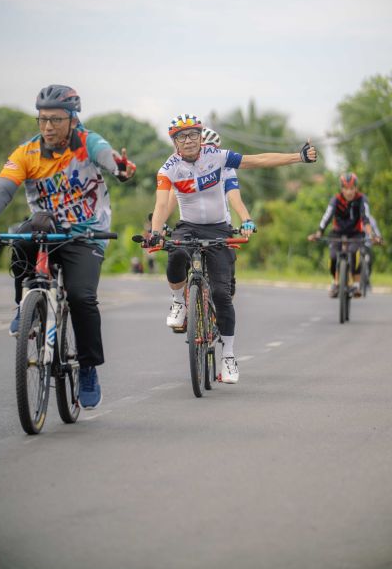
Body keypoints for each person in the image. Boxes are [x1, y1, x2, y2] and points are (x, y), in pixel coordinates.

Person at [0, 84, 135, 409]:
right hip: (47, 229)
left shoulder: (87, 143)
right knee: (21, 237)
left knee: (82, 297)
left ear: (73, 120)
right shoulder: (26, 153)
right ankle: (24, 305)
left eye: (56, 119)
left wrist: (120, 169)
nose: (48, 127)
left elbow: (108, 157)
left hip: (87, 235)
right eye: (42, 119)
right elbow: (2, 191)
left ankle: (87, 368)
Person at [150, 114, 317, 384]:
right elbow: (161, 204)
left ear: (201, 137)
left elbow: (257, 160)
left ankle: (227, 355)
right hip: (188, 226)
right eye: (181, 137)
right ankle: (179, 301)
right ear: (174, 142)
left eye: (193, 134)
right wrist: (156, 233)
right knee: (175, 252)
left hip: (219, 228)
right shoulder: (168, 168)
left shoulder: (218, 157)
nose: (188, 140)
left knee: (222, 294)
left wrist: (298, 157)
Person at [166, 126, 255, 297]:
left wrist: (246, 219)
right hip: (192, 225)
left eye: (213, 149)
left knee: (226, 288)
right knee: (179, 257)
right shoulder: (182, 169)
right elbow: (170, 200)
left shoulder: (226, 168)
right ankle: (181, 300)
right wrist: (159, 225)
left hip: (220, 226)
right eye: (205, 148)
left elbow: (235, 198)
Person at [308, 172, 372, 298]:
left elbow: (366, 219)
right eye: (346, 189)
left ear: (356, 188)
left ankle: (355, 285)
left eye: (352, 188)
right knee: (333, 256)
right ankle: (335, 282)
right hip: (337, 232)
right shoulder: (336, 199)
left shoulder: (361, 199)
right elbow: (327, 217)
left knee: (354, 252)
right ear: (341, 189)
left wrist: (372, 235)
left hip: (355, 233)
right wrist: (319, 232)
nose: (349, 192)